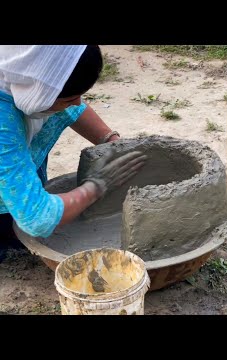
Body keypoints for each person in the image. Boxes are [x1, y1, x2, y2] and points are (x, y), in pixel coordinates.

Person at [0, 45, 147, 249]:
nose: (79, 102)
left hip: (11, 169)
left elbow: (70, 108)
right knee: (15, 233)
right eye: (69, 99)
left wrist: (113, 143)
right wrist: (97, 187)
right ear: (38, 91)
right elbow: (37, 217)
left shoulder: (24, 67)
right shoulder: (3, 124)